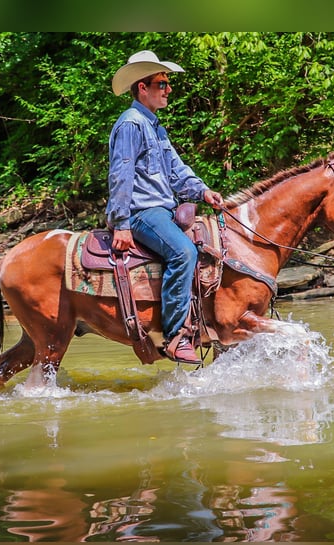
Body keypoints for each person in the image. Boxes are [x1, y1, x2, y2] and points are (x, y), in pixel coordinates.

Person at [107, 50, 224, 364]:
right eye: (161, 83)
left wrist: (203, 191)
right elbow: (122, 174)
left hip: (160, 209)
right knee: (183, 252)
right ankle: (175, 337)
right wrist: (121, 223)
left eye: (167, 83)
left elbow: (176, 170)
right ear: (142, 88)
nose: (168, 89)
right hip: (141, 212)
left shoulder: (154, 126)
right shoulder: (131, 124)